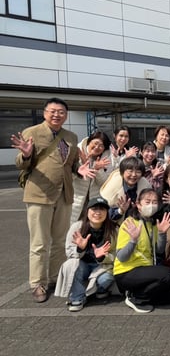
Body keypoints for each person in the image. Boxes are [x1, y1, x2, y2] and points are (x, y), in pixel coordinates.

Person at [11, 97, 95, 303]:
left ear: (66, 115)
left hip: (64, 194)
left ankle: (55, 277)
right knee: (39, 243)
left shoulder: (71, 136)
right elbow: (21, 164)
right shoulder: (32, 132)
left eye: (61, 112)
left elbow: (72, 164)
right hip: (40, 194)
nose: (57, 115)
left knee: (59, 241)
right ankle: (37, 283)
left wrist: (79, 169)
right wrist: (26, 155)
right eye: (52, 111)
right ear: (44, 113)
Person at [113, 188, 170, 313]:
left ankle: (137, 292)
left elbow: (159, 251)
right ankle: (137, 298)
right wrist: (133, 240)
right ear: (138, 205)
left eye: (154, 202)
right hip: (126, 272)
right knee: (167, 274)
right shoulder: (130, 223)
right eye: (147, 202)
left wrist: (162, 233)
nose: (151, 206)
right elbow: (121, 257)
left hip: (145, 270)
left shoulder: (152, 224)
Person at [60, 197, 117, 311]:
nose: (98, 213)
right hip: (83, 265)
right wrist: (80, 249)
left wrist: (102, 257)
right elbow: (69, 252)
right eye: (94, 209)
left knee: (106, 278)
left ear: (107, 212)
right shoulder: (77, 227)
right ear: (87, 211)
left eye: (102, 209)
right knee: (70, 265)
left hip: (102, 266)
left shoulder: (113, 229)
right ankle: (77, 297)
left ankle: (100, 289)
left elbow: (116, 254)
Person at [70, 131, 112, 224]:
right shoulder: (76, 153)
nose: (97, 147)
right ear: (89, 142)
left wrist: (97, 169)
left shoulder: (105, 159)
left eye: (101, 146)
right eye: (95, 143)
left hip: (93, 201)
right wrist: (80, 164)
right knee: (71, 227)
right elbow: (68, 178)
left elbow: (104, 183)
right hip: (75, 199)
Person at [99, 156, 152, 221]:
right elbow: (106, 214)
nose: (134, 175)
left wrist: (138, 210)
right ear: (122, 172)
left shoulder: (145, 186)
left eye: (138, 172)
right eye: (130, 171)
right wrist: (120, 211)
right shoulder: (112, 188)